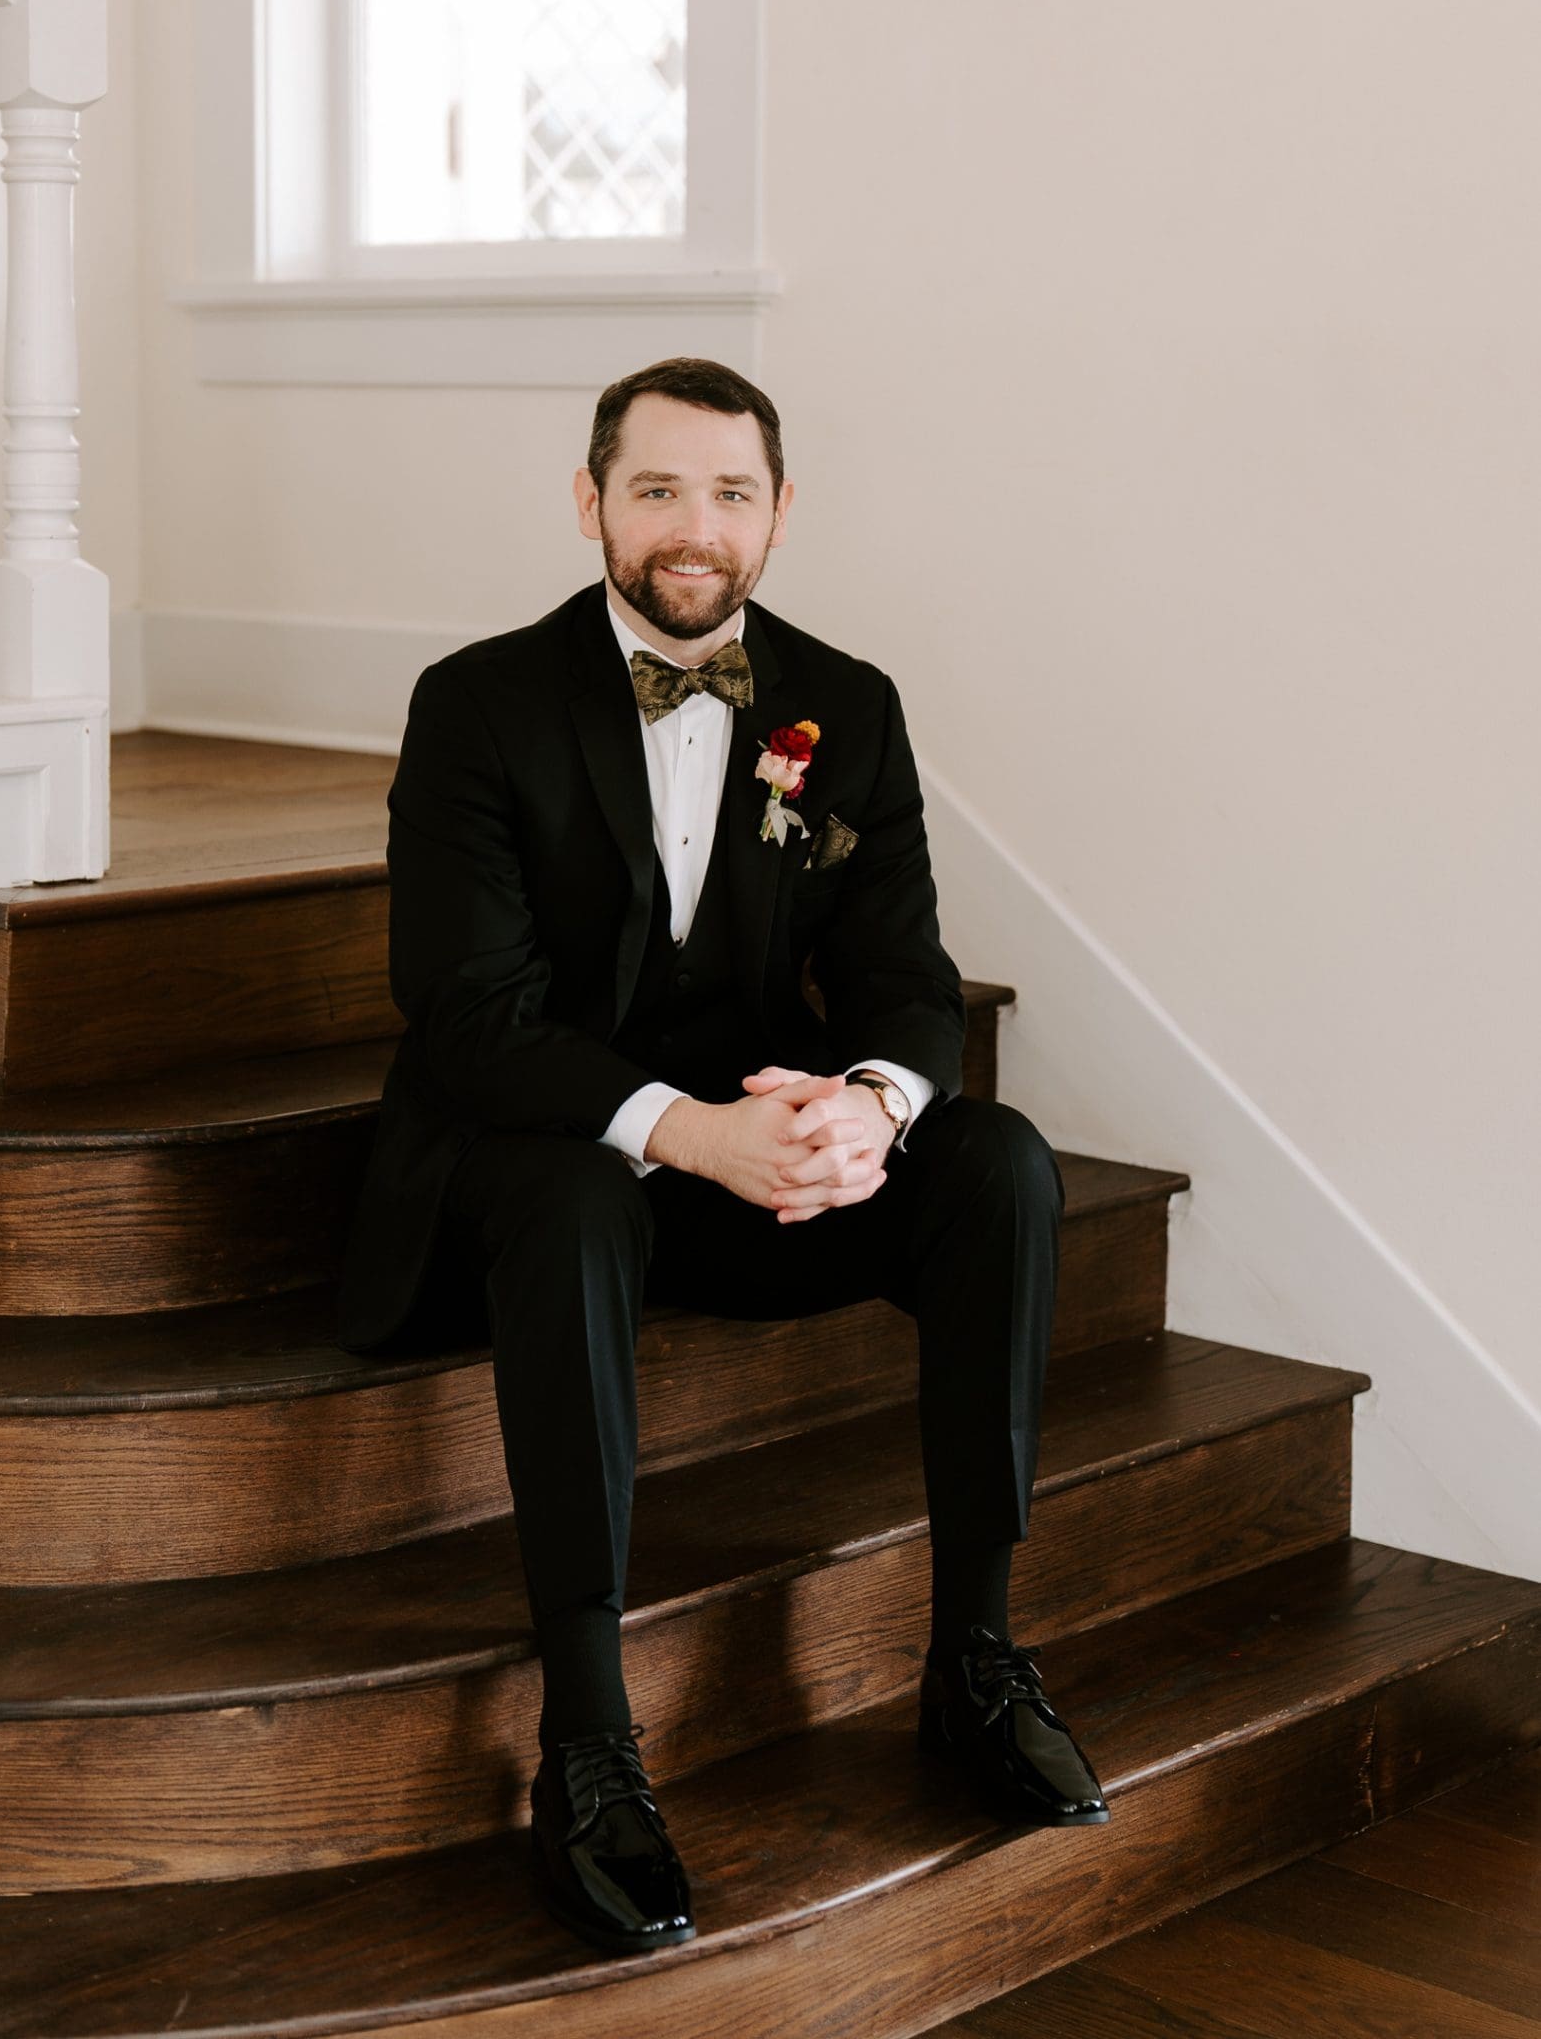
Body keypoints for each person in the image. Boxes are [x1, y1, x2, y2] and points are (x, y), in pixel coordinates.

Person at [335, 356, 1107, 1957]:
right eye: (659, 489)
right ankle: (590, 1741)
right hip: (532, 1153)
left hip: (746, 1164)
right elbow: (466, 1014)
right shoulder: (476, 702)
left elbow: (902, 972)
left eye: (732, 493)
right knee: (567, 1200)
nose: (697, 528)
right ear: (591, 502)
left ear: (781, 511)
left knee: (1004, 1164)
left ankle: (973, 1658)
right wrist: (684, 1131)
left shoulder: (851, 703)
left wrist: (869, 1107)